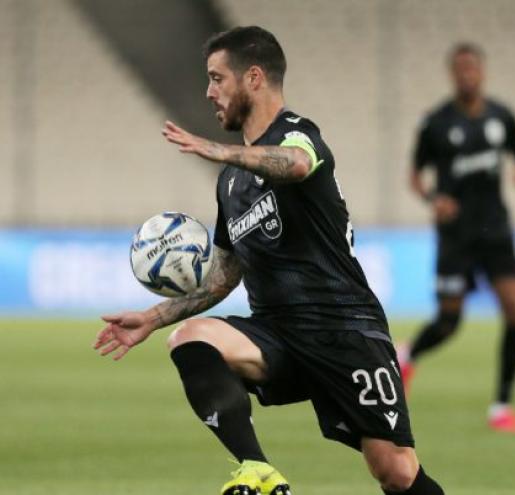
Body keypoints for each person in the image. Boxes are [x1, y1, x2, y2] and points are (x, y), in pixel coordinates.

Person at [94, 26, 444, 495]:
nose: (209, 92)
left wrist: (218, 149)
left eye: (217, 78)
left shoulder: (298, 133)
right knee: (190, 339)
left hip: (343, 329)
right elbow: (222, 278)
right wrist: (153, 318)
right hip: (278, 335)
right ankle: (256, 468)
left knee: (396, 472)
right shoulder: (230, 183)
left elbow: (297, 164)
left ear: (254, 77)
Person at [398, 42, 515, 433]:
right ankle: (407, 355)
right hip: (455, 234)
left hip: (496, 229)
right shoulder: (436, 123)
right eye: (460, 69)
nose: (467, 75)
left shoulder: (502, 116)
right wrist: (432, 199)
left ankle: (502, 407)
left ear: (482, 72)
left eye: (472, 68)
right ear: (452, 74)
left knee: (514, 308)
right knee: (448, 322)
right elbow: (414, 175)